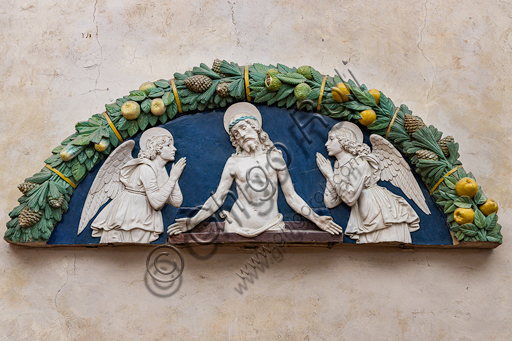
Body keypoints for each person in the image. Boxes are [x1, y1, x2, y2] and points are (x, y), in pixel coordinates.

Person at [167, 103, 343, 238]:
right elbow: (217, 198)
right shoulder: (233, 162)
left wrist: (317, 219)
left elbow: (291, 197)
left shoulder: (275, 158)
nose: (241, 135)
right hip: (235, 226)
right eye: (236, 134)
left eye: (243, 128)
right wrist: (192, 222)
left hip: (272, 225)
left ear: (255, 128)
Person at [316, 122, 420, 243]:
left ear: (344, 140)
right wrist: (331, 175)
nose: (326, 144)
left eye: (331, 139)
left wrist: (330, 174)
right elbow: (330, 202)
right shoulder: (339, 167)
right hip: (363, 215)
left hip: (381, 213)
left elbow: (349, 198)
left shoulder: (361, 162)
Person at [91, 128, 186, 243]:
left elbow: (176, 202)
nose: (174, 149)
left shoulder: (161, 170)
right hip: (129, 218)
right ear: (158, 149)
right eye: (169, 145)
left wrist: (174, 179)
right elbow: (156, 203)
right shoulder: (145, 168)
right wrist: (172, 179)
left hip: (142, 217)